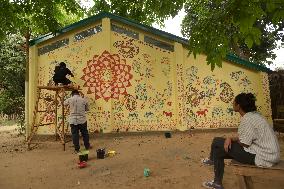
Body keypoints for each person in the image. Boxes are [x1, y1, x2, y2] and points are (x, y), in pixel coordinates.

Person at [201, 93, 280, 189]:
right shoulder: (255, 115)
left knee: (217, 142)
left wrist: (229, 140)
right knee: (219, 148)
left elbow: (245, 144)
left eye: (233, 102)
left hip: (262, 157)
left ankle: (213, 164)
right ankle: (216, 178)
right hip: (270, 154)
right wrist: (230, 138)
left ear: (238, 106)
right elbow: (247, 137)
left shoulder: (247, 119)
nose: (232, 103)